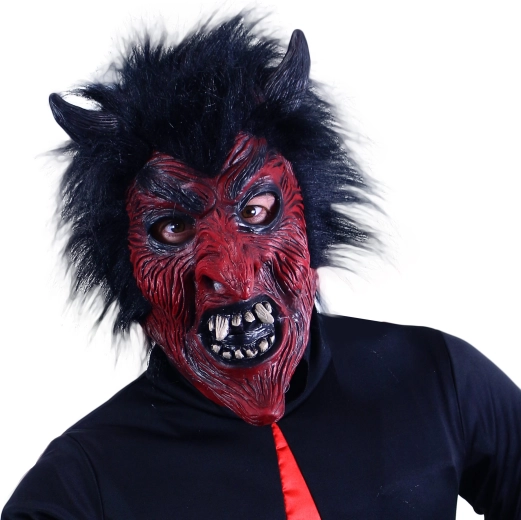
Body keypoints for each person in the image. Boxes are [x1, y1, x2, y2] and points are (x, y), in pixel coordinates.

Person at [3, 16, 521, 519]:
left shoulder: (434, 378)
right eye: (174, 229)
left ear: (309, 224)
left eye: (254, 211)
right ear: (129, 270)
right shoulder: (87, 480)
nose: (232, 273)